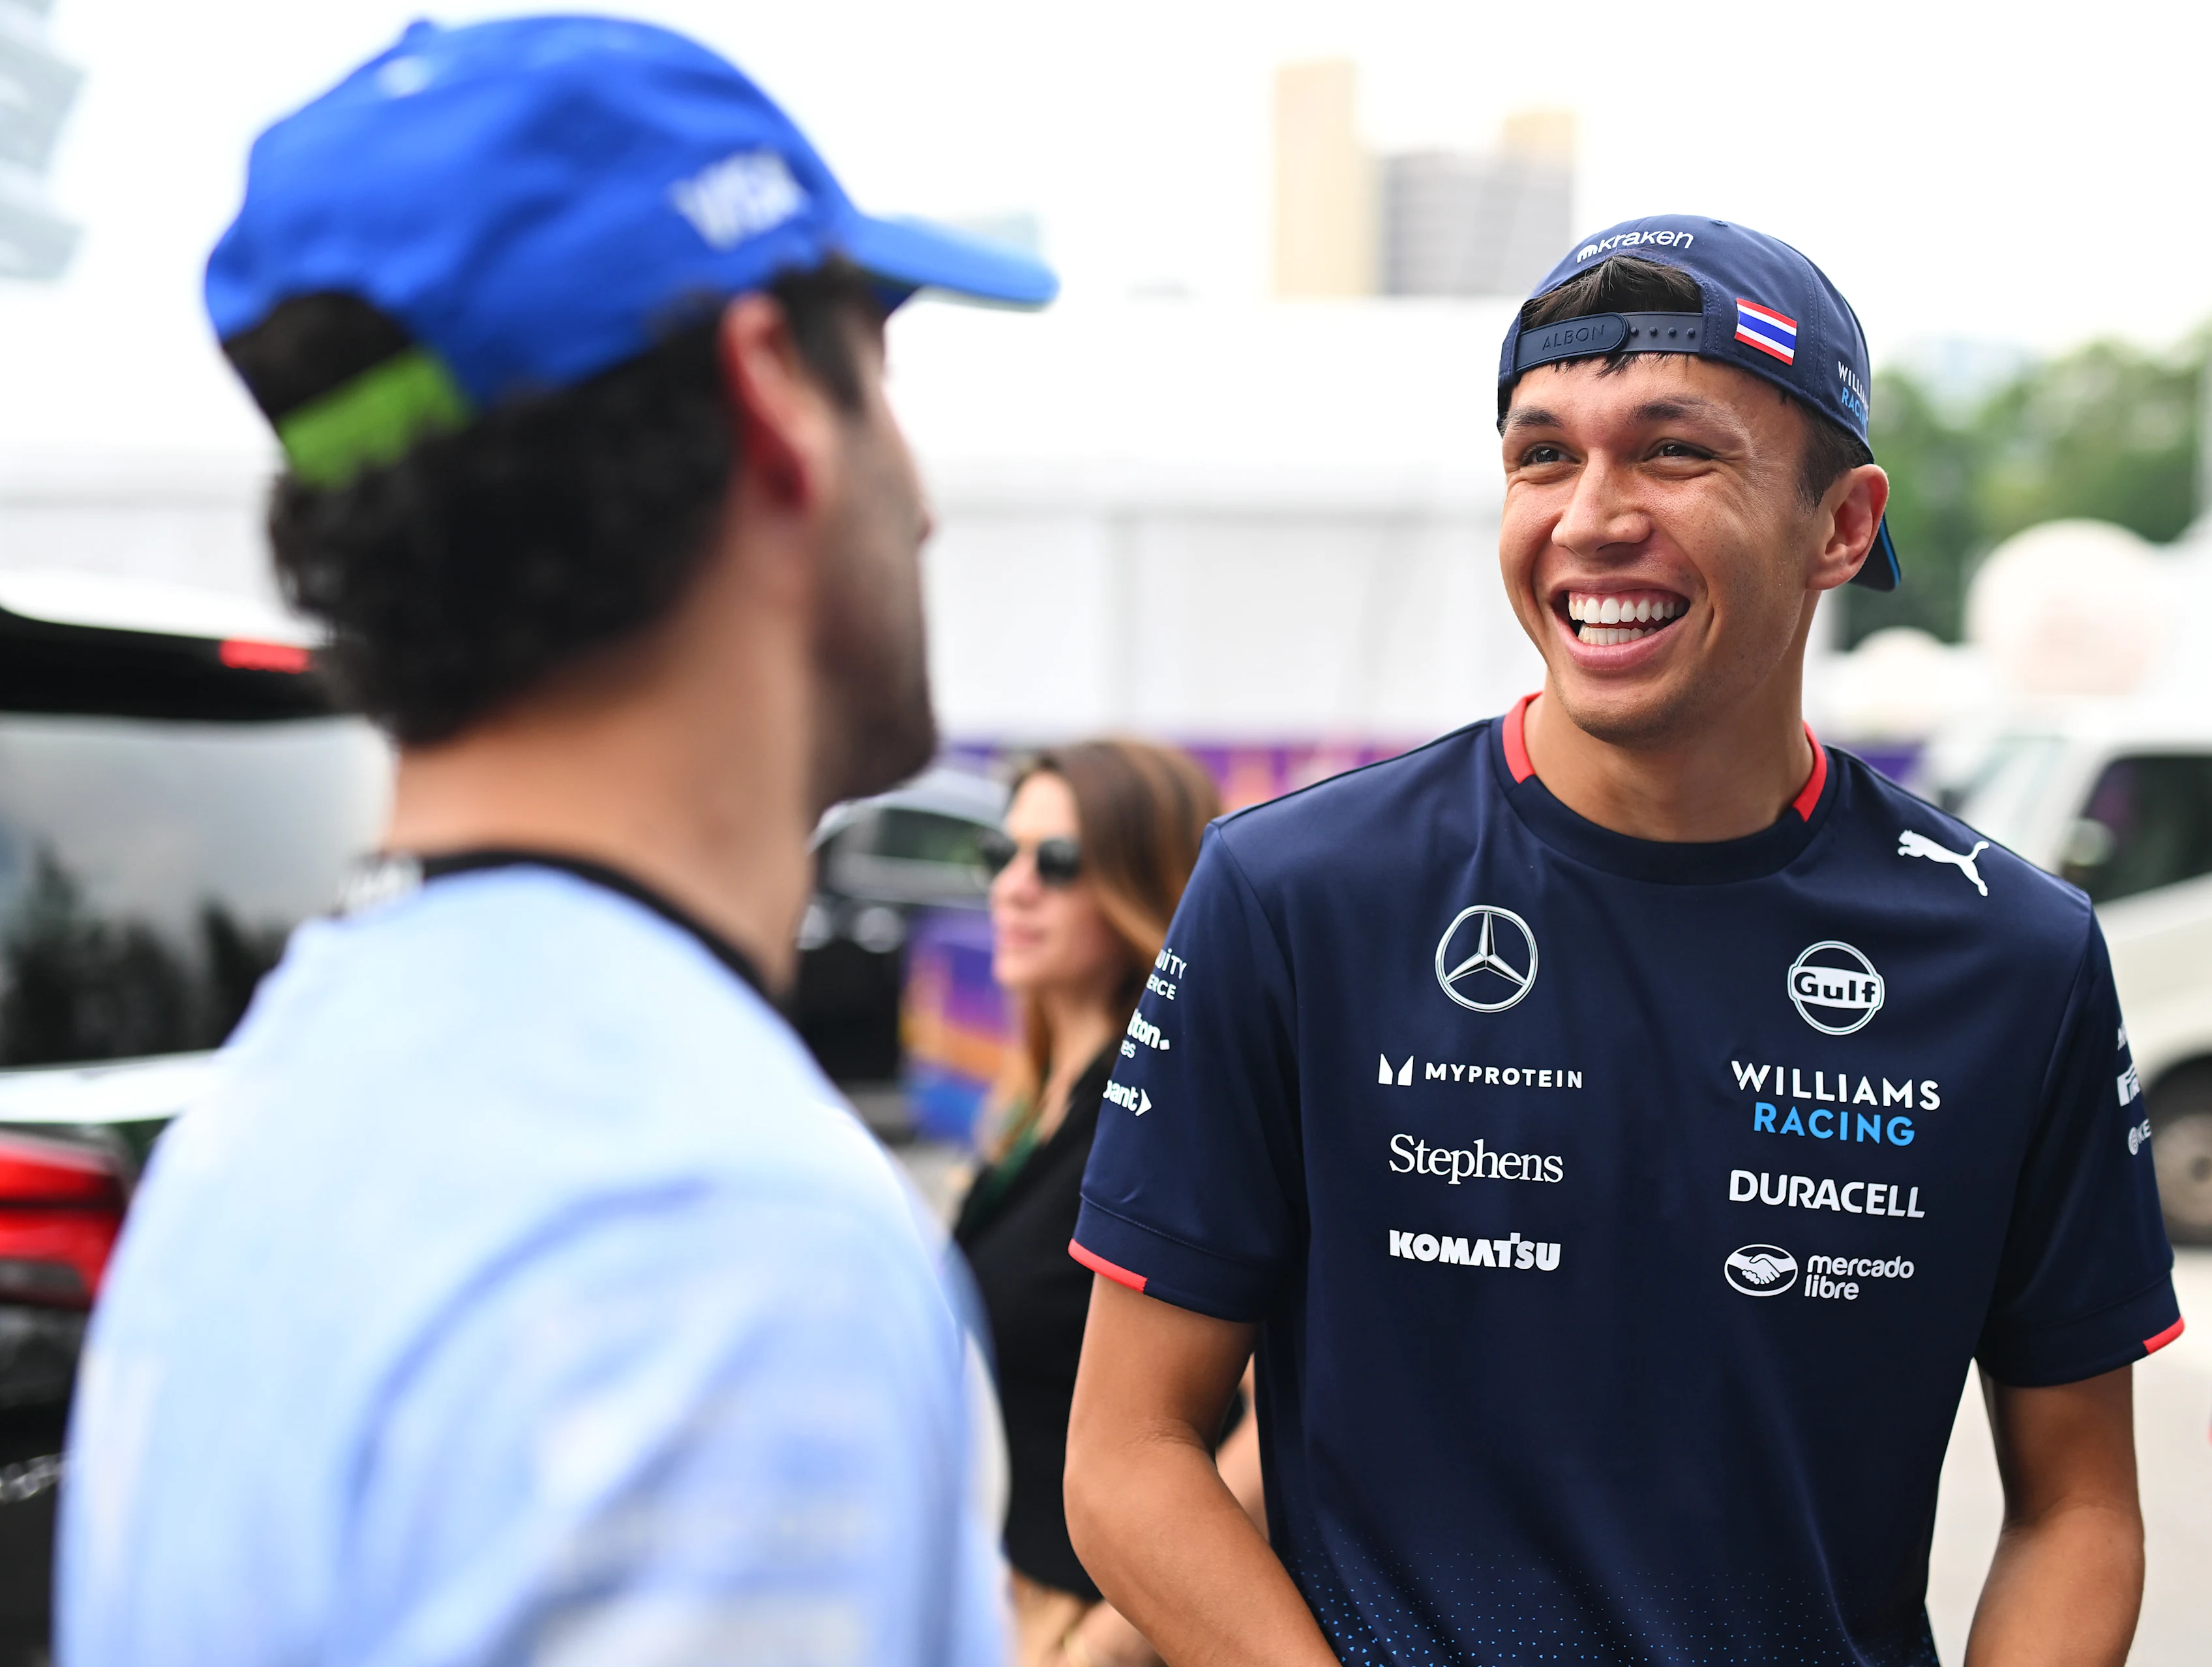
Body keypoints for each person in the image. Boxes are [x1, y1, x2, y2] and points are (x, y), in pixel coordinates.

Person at [58, 18, 1055, 1666]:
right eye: (879, 367)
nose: (926, 494)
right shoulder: (702, 1238)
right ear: (770, 390)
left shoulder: (283, 1099)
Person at [1063, 217, 2182, 1667]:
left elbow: (2078, 1511)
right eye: (1541, 455)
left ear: (1840, 525)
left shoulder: (2014, 958)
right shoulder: (1293, 895)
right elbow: (1129, 1452)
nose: (1588, 515)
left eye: (1673, 451)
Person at [949, 742, 1231, 1667]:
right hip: (1011, 1597)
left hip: (1102, 1622)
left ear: (1138, 880)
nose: (1016, 887)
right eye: (1005, 855)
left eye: (1057, 863)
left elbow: (1278, 1426)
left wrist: (1111, 1644)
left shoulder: (1165, 1099)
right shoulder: (1036, 1100)